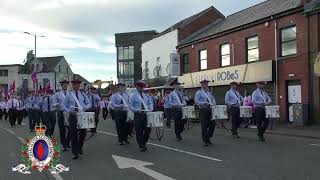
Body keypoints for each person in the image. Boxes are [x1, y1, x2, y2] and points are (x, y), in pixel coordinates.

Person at [63, 79, 91, 160]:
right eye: (75, 84)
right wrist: (69, 111)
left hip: (82, 116)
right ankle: (75, 153)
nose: (76, 86)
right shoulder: (69, 95)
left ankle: (79, 147)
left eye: (78, 85)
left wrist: (86, 107)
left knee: (83, 134)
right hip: (73, 116)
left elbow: (89, 103)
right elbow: (63, 105)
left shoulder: (83, 94)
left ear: (79, 86)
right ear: (72, 85)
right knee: (73, 134)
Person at [130, 80, 153, 152]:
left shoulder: (146, 95)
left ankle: (144, 142)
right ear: (136, 87)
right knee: (139, 131)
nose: (142, 88)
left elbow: (150, 103)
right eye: (140, 87)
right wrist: (137, 110)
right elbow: (130, 106)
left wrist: (151, 108)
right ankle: (141, 145)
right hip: (138, 115)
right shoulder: (133, 96)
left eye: (142, 87)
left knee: (148, 129)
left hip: (146, 115)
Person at [195, 80, 216, 146]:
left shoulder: (209, 92)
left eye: (207, 84)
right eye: (205, 84)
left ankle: (208, 136)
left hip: (209, 109)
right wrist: (203, 103)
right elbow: (196, 101)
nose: (206, 85)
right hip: (203, 110)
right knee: (204, 126)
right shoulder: (199, 92)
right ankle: (205, 140)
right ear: (202, 85)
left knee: (213, 123)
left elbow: (212, 99)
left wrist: (214, 104)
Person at [55, 80, 70, 151]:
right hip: (61, 113)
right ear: (61, 86)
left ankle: (67, 142)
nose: (65, 86)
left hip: (68, 113)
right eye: (64, 85)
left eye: (66, 85)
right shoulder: (57, 94)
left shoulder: (70, 94)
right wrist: (56, 105)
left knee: (70, 129)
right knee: (62, 130)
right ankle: (64, 145)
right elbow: (54, 103)